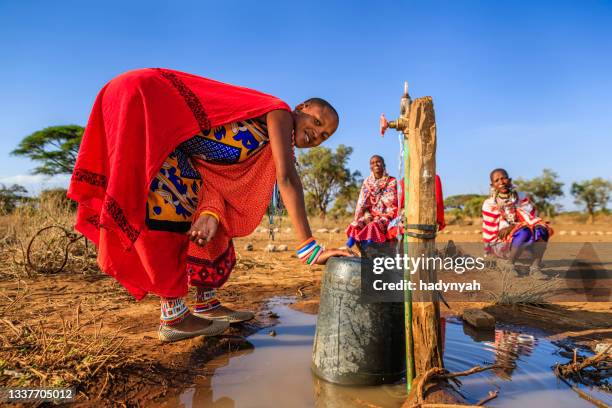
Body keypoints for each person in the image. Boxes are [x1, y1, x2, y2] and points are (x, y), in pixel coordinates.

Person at [68, 68, 349, 342]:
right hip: (147, 99)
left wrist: (211, 210)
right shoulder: (280, 113)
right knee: (176, 200)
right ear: (302, 107)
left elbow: (210, 174)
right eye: (318, 122)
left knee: (211, 211)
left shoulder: (263, 139)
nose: (318, 134)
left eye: (325, 136)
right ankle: (174, 316)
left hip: (159, 123)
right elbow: (287, 178)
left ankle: (205, 302)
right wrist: (309, 248)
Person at [482, 168, 552, 278]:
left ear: (509, 180)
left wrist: (512, 227)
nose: (501, 182)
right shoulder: (489, 204)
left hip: (527, 241)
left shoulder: (522, 197)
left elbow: (532, 218)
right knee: (524, 231)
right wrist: (489, 252)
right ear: (492, 185)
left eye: (503, 178)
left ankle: (535, 268)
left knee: (541, 229)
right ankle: (509, 266)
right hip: (503, 244)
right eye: (497, 180)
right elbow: (489, 231)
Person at [345, 155, 398, 250]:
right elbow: (363, 202)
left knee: (373, 225)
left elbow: (391, 201)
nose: (376, 164)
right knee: (356, 224)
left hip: (387, 215)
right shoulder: (367, 182)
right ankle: (352, 248)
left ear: (383, 164)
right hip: (370, 214)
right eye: (372, 163)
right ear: (370, 167)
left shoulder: (391, 181)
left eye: (378, 162)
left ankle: (370, 248)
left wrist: (378, 214)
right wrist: (366, 214)